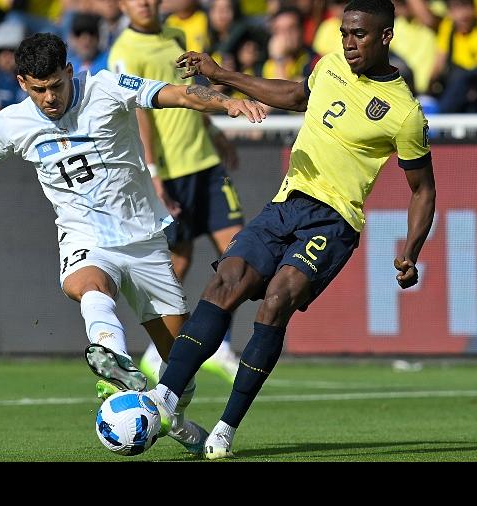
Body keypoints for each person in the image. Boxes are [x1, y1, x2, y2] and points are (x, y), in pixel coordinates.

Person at [0, 32, 266, 454]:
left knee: (182, 366)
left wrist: (225, 101)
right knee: (86, 284)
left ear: (69, 71)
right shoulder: (13, 122)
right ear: (23, 84)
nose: (49, 98)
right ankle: (114, 362)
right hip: (84, 234)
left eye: (56, 86)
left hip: (143, 241)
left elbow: (177, 94)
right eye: (38, 89)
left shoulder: (107, 87)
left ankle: (171, 416)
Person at [147, 0, 436, 459]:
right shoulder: (332, 64)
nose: (348, 41)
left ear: (385, 37)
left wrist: (412, 250)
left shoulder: (404, 113)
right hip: (287, 202)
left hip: (334, 220)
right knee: (226, 281)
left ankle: (226, 426)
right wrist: (222, 74)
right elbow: (295, 95)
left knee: (277, 299)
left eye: (359, 34)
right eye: (344, 32)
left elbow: (422, 189)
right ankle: (164, 397)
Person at [109, 0, 247, 386]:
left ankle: (217, 345)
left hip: (205, 163)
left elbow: (190, 93)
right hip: (170, 172)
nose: (145, 3)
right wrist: (153, 173)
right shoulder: (124, 51)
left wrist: (214, 133)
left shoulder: (175, 36)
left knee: (239, 254)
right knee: (176, 264)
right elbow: (140, 112)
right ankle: (159, 349)